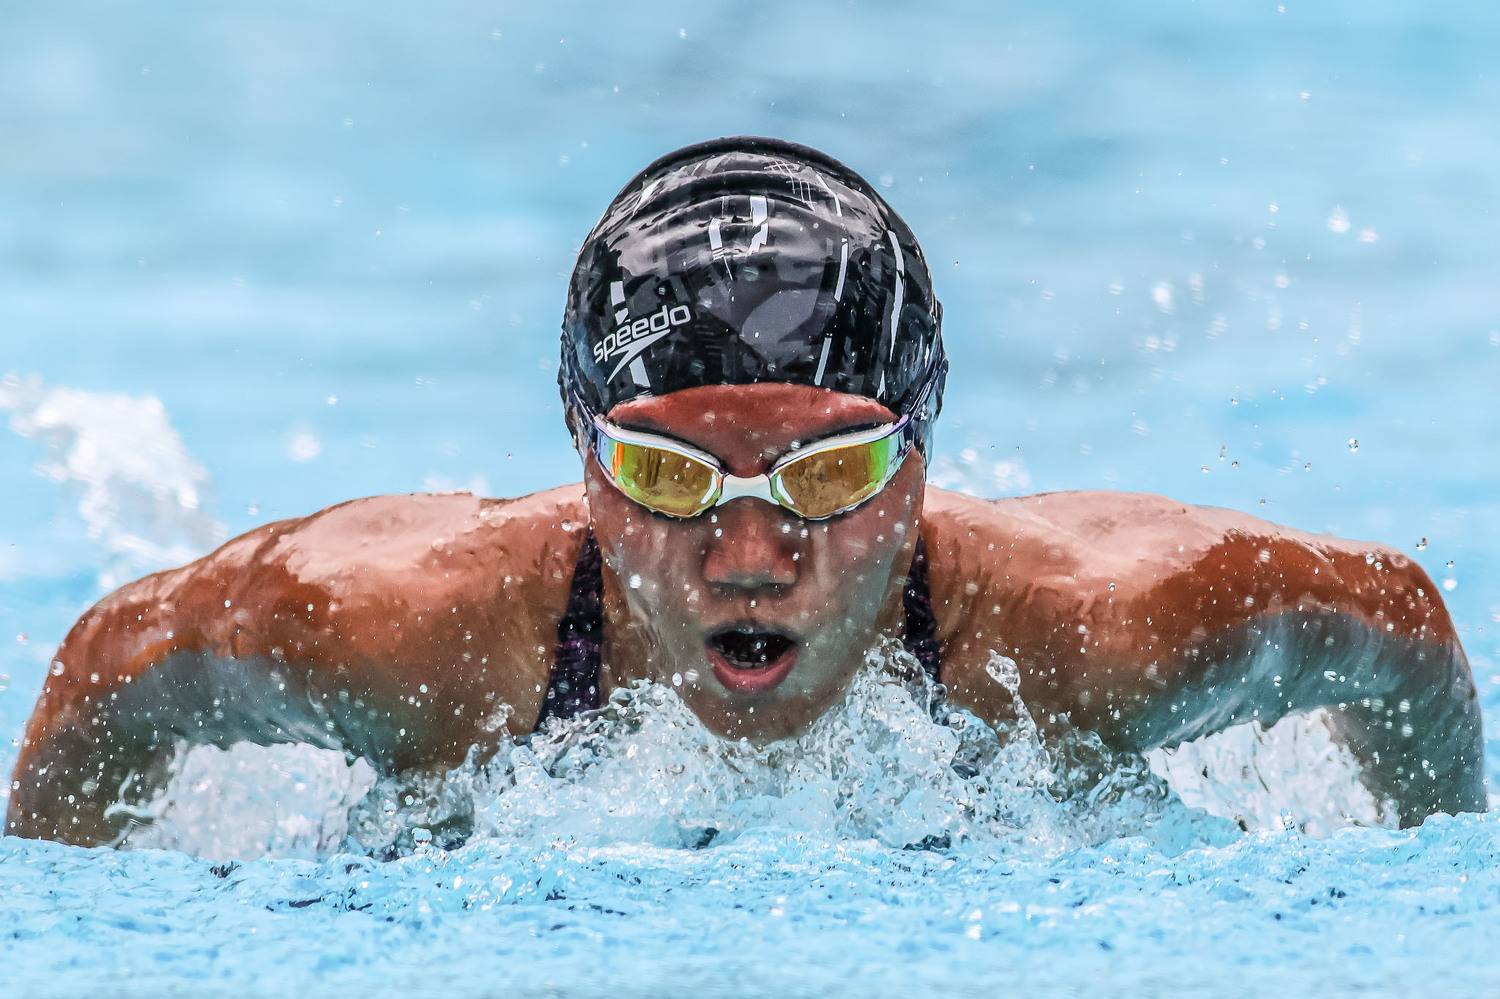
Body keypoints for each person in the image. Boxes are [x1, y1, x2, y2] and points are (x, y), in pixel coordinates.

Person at [6, 137, 1484, 847]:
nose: (753, 554)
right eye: (668, 474)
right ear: (583, 458)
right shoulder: (400, 635)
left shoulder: (1097, 635)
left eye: (829, 472)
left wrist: (1429, 862)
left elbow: (1404, 623)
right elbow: (108, 663)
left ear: (922, 458)